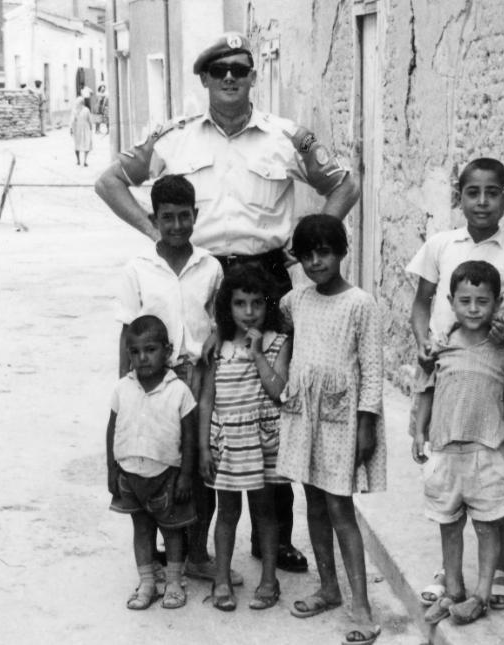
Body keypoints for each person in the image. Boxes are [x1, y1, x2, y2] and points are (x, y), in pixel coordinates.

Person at [96, 31, 363, 574]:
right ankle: (191, 541)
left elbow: (345, 185)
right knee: (201, 399)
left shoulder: (285, 137)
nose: (231, 79)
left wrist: (306, 243)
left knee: (273, 403)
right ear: (205, 79)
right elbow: (109, 183)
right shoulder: (173, 139)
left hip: (267, 278)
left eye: (240, 70)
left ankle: (276, 541)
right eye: (220, 71)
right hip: (200, 273)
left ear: (251, 77)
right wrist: (155, 231)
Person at [406, 158, 504, 610]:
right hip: (443, 368)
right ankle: (452, 572)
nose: (482, 202)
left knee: (491, 476)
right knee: (450, 476)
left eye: (492, 192)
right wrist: (425, 342)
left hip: (493, 372)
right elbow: (422, 304)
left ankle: (500, 567)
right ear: (458, 196)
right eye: (472, 192)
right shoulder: (441, 245)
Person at [115, 175, 242, 587]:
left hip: (199, 376)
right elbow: (127, 332)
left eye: (184, 217)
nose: (176, 226)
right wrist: (127, 388)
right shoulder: (138, 269)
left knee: (198, 464)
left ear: (195, 216)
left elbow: (224, 319)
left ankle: (198, 553)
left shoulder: (210, 266)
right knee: (159, 464)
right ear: (155, 218)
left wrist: (215, 338)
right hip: (154, 380)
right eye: (167, 218)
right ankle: (162, 554)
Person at [412, 260, 504, 625]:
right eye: (464, 301)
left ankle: (481, 594)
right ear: (451, 301)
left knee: (488, 525)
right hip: (445, 453)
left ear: (496, 303)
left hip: (486, 453)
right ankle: (453, 589)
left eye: (481, 302)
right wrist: (420, 432)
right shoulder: (439, 348)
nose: (472, 309)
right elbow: (426, 391)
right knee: (449, 524)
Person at [278, 215, 384, 645]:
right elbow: (285, 330)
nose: (316, 261)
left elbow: (373, 370)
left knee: (340, 508)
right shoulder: (297, 300)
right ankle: (328, 587)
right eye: (306, 255)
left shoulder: (361, 304)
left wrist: (367, 424)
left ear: (342, 251)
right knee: (314, 503)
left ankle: (361, 606)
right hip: (305, 416)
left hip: (342, 420)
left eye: (324, 252)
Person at [198, 264, 290, 611]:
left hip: (263, 439)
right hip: (230, 441)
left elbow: (278, 390)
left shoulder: (276, 343)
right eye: (240, 304)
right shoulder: (218, 346)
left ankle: (269, 580)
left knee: (265, 511)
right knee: (227, 511)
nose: (249, 312)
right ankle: (221, 579)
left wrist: (257, 355)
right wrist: (204, 446)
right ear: (228, 306)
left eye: (256, 304)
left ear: (268, 306)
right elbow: (207, 399)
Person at [106, 316, 198, 611]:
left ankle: (173, 582)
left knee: (172, 530)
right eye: (134, 352)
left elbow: (189, 436)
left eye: (151, 349)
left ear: (168, 351)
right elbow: (112, 429)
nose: (142, 358)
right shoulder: (123, 388)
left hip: (166, 474)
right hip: (130, 473)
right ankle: (147, 582)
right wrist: (111, 468)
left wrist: (185, 476)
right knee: (141, 529)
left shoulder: (179, 391)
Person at [70, 97, 93, 166]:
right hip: (84, 128)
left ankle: (80, 161)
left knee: (78, 144)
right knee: (85, 143)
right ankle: (83, 161)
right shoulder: (86, 110)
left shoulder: (76, 110)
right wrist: (91, 128)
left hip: (78, 128)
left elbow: (72, 120)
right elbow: (90, 120)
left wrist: (71, 128)